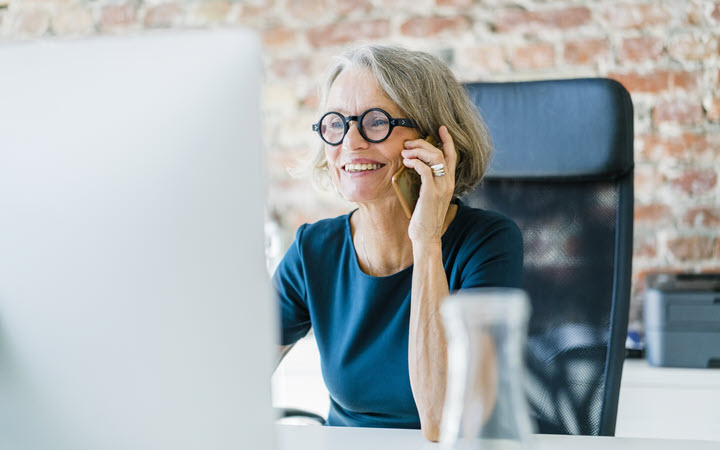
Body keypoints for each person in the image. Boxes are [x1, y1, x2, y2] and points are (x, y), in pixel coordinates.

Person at [273, 45, 523, 442]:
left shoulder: (487, 243)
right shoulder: (313, 250)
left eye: (376, 122)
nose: (351, 142)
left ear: (434, 140)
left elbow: (441, 421)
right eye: (336, 123)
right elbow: (228, 380)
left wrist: (426, 242)